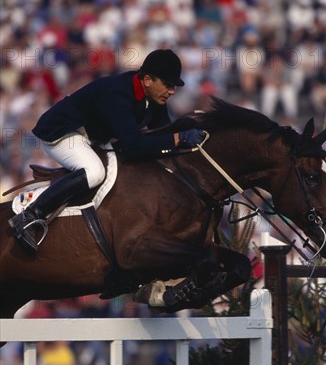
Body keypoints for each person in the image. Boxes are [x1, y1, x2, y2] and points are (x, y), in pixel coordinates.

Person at [9, 49, 204, 252]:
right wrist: (178, 139)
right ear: (147, 80)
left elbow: (163, 132)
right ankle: (30, 216)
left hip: (94, 136)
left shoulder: (153, 96)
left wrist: (189, 137)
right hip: (62, 133)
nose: (172, 91)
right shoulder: (118, 92)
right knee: (95, 172)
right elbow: (135, 146)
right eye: (168, 84)